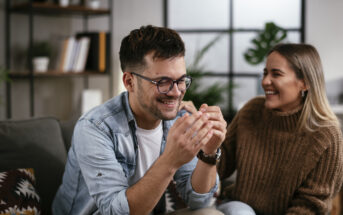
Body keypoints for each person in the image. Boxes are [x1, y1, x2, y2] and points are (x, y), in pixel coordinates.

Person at [52, 25, 227, 215]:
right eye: (163, 82)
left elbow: (198, 201)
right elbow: (116, 212)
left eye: (181, 80)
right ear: (129, 82)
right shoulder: (95, 128)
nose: (177, 92)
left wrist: (209, 153)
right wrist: (170, 160)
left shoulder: (178, 120)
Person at [217, 43, 343, 215]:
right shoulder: (251, 111)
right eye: (265, 73)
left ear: (304, 83)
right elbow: (220, 167)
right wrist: (209, 146)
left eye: (276, 74)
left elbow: (310, 206)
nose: (265, 81)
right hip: (238, 209)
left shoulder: (327, 135)